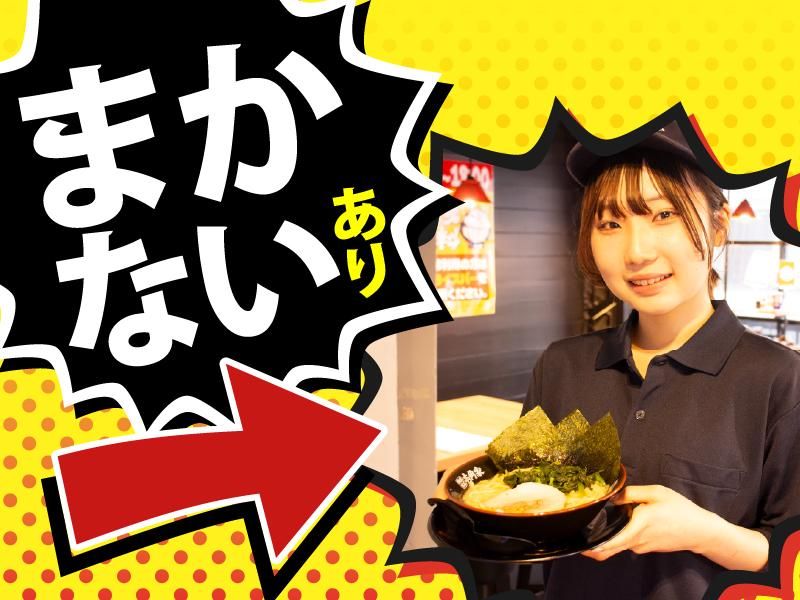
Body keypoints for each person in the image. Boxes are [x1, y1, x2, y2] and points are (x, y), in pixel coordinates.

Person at [521, 124, 800, 599]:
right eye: (610, 224)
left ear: (719, 225)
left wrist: (704, 533)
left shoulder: (779, 380)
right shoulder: (561, 365)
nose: (637, 252)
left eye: (664, 214)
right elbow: (527, 506)